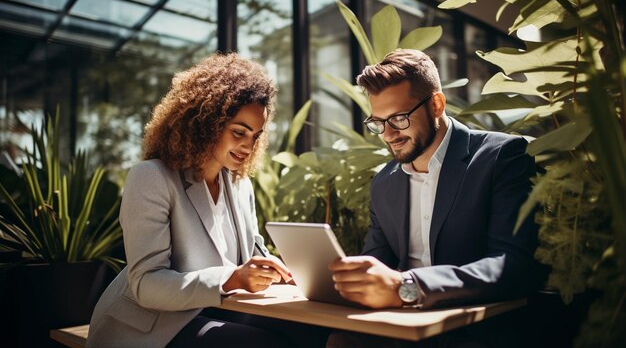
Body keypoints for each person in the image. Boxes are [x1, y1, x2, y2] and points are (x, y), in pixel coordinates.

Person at [328, 49, 542, 347]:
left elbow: (513, 266)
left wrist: (408, 286)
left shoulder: (501, 157)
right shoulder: (384, 183)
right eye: (379, 122)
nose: (389, 134)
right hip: (403, 327)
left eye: (400, 118)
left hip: (477, 331)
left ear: (437, 104)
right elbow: (377, 261)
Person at [87, 53, 295, 348]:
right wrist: (230, 279)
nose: (248, 146)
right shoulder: (152, 178)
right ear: (208, 122)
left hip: (217, 313)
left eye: (256, 136)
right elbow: (146, 284)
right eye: (239, 132)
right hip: (148, 328)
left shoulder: (240, 185)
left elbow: (251, 252)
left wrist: (278, 268)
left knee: (307, 333)